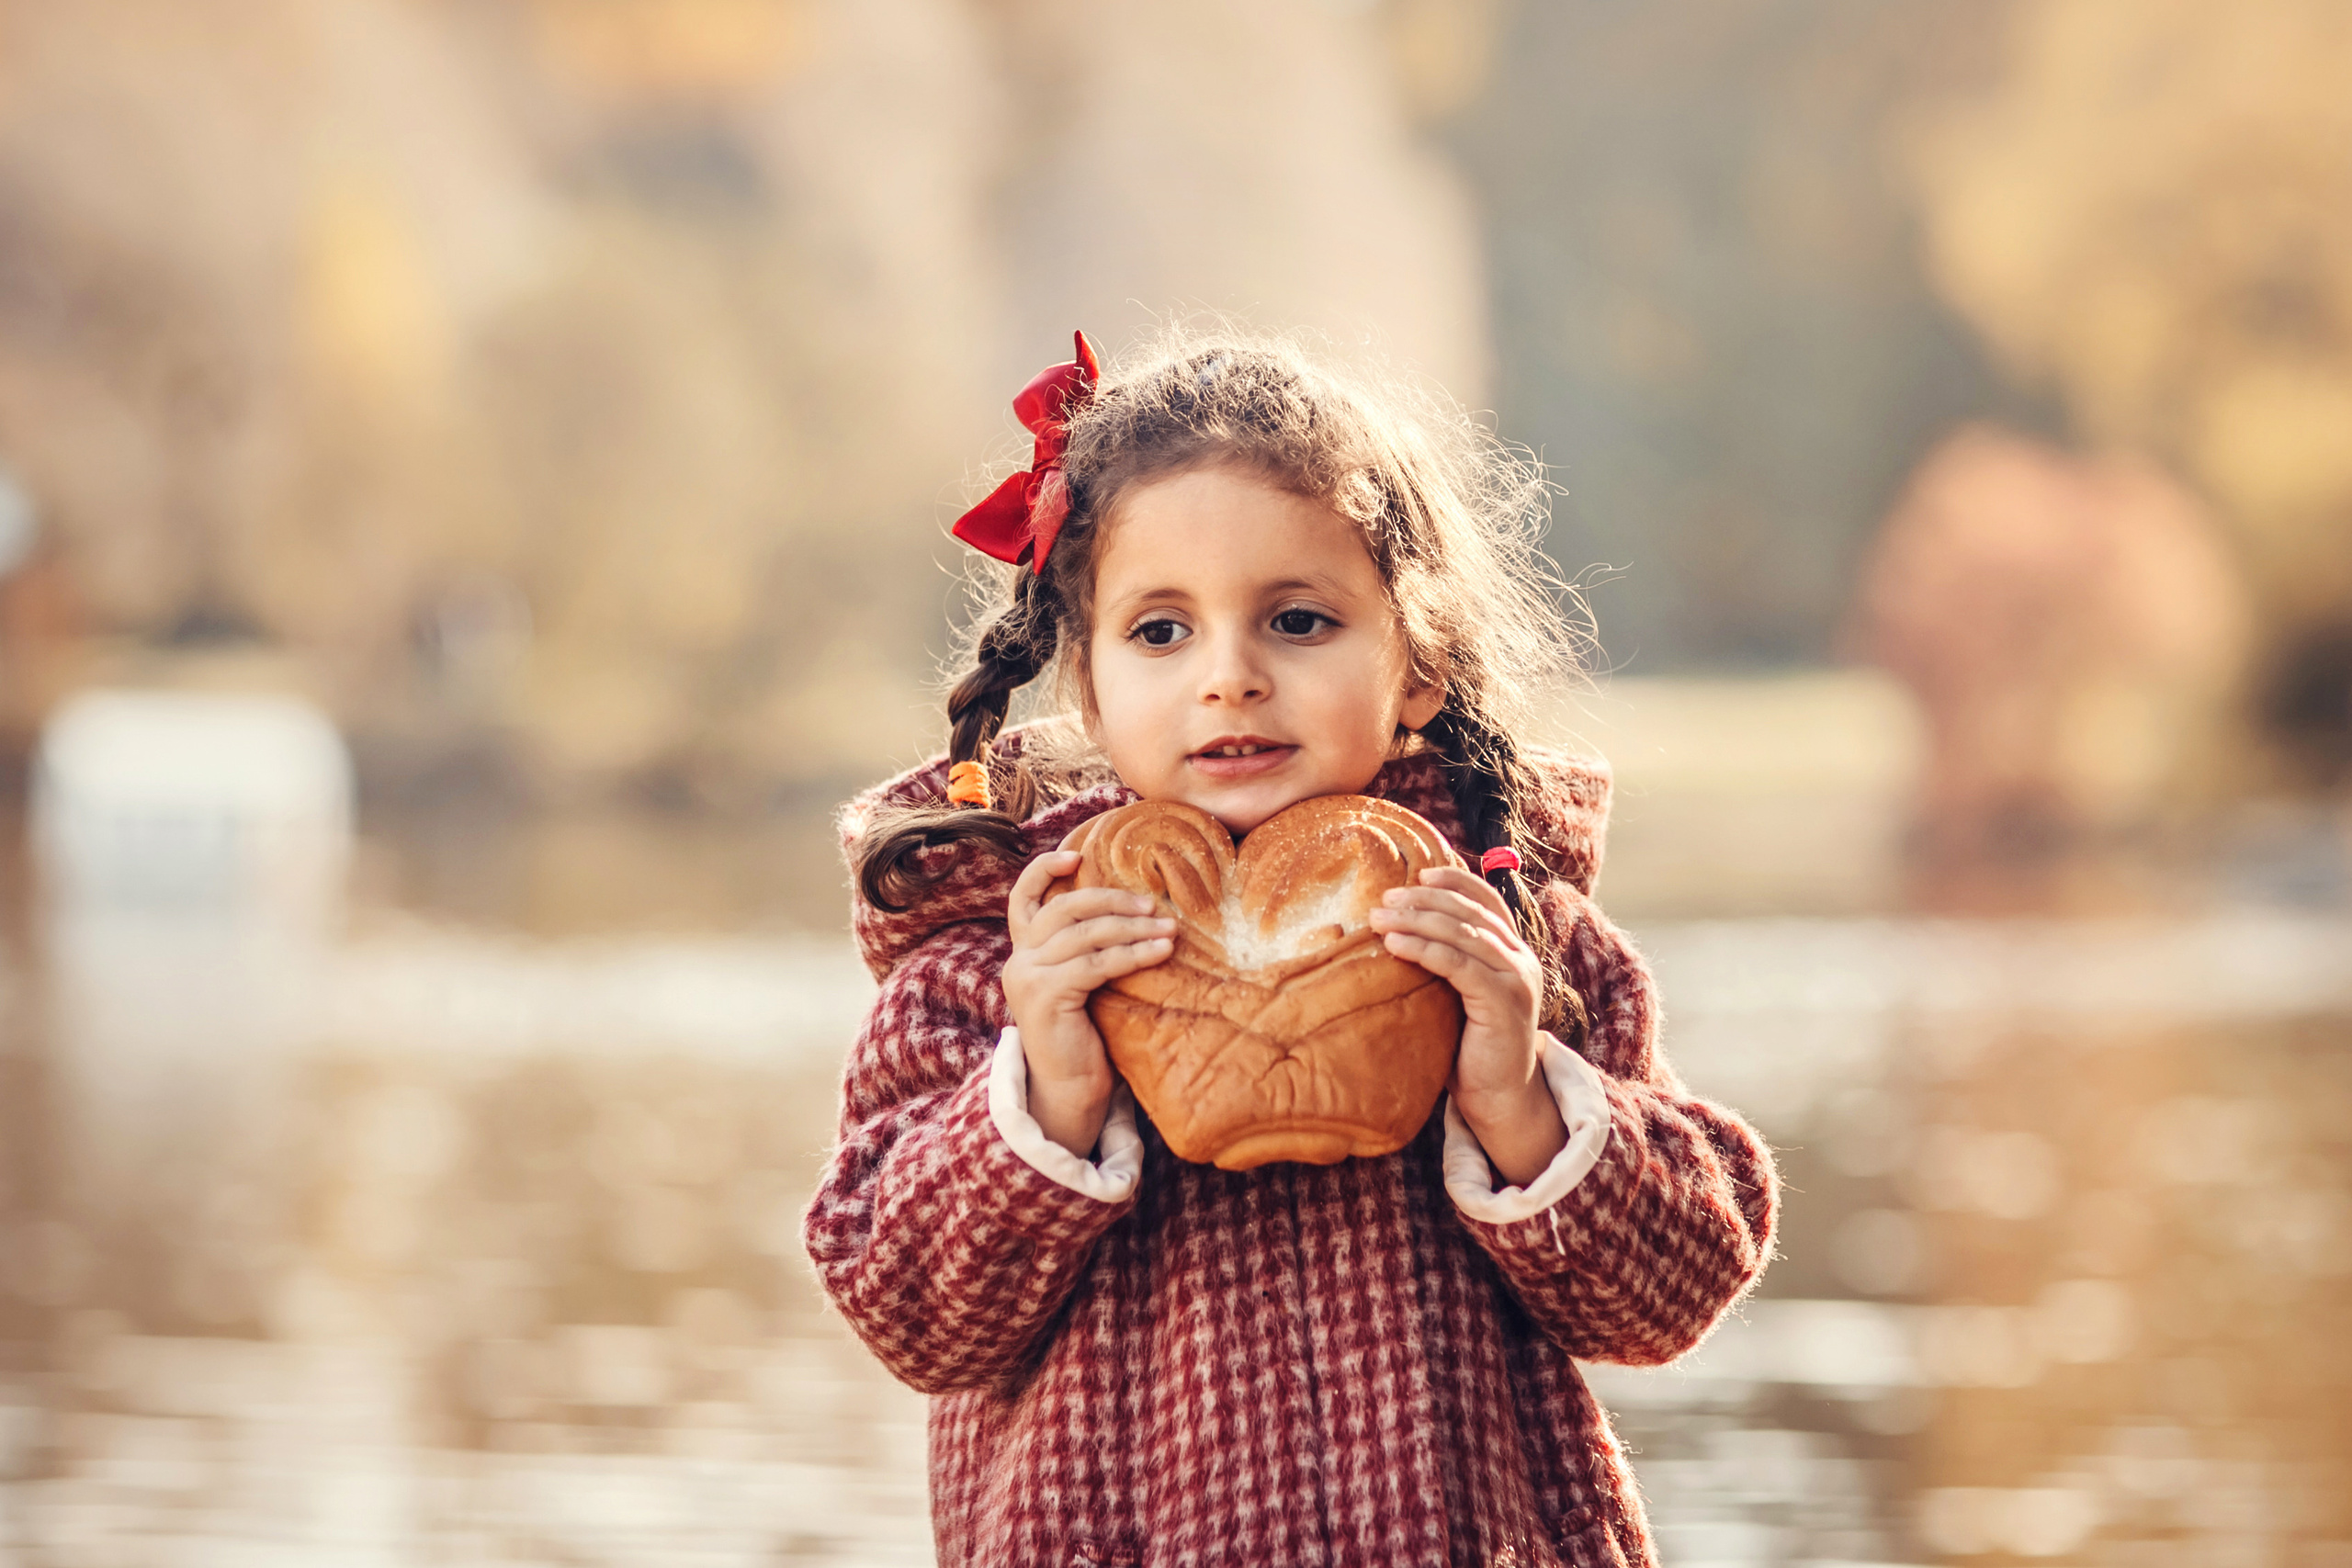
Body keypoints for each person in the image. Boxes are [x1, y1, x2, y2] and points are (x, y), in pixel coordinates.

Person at [802, 326, 1777, 1568]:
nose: (1231, 678)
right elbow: (908, 1314)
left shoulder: (1511, 938)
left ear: (1416, 663)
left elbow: (1672, 1295)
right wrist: (1042, 1097)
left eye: (1299, 621)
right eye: (1161, 632)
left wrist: (1519, 1095)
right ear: (1090, 693)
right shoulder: (997, 968)